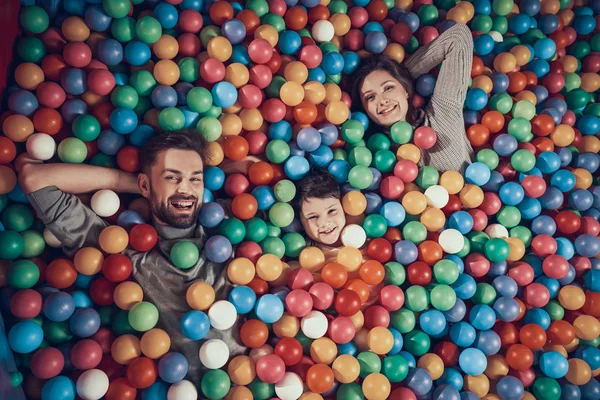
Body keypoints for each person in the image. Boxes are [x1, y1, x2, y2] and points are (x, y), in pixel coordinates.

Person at [16, 130, 246, 385]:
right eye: (172, 177)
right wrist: (132, 185)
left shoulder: (230, 229)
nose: (186, 188)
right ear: (145, 184)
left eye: (196, 179)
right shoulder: (123, 253)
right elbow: (33, 177)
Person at [349, 22, 475, 173]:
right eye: (370, 97)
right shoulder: (371, 153)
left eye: (389, 88)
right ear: (365, 109)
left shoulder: (441, 113)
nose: (382, 100)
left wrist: (404, 76)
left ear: (406, 91)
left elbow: (458, 37)